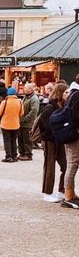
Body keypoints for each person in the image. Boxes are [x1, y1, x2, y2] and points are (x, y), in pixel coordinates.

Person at [38, 82, 67, 202]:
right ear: (60, 93)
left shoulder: (63, 106)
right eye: (66, 92)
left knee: (66, 165)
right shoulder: (50, 107)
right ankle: (47, 192)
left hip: (60, 140)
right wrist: (52, 132)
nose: (68, 94)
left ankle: (61, 190)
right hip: (50, 140)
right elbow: (42, 123)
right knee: (50, 166)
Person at [60, 76, 79, 208]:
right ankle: (68, 196)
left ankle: (71, 194)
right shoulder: (77, 95)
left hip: (70, 133)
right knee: (72, 164)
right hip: (74, 134)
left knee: (72, 163)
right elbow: (76, 116)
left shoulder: (72, 94)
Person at [0, 87, 23, 163]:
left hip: (5, 124)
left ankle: (8, 156)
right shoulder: (19, 102)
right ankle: (14, 156)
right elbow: (21, 113)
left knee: (7, 140)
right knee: (14, 140)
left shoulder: (4, 102)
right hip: (16, 124)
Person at [17, 82, 40, 161]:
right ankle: (22, 153)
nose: (25, 90)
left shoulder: (34, 98)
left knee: (27, 140)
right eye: (24, 88)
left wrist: (24, 119)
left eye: (26, 88)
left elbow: (34, 111)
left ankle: (28, 154)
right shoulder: (25, 97)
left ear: (31, 89)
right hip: (21, 123)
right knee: (20, 139)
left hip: (28, 124)